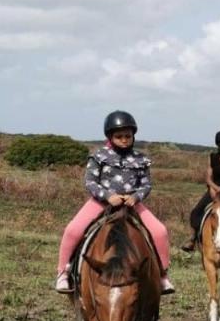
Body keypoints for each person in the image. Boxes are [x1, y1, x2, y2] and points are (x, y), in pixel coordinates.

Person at [55, 110, 173, 294]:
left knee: (160, 232)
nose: (124, 139)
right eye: (119, 136)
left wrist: (136, 197)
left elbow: (146, 184)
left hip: (131, 204)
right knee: (72, 230)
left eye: (128, 136)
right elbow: (90, 182)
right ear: (110, 137)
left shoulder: (141, 159)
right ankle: (62, 272)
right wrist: (108, 196)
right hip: (101, 202)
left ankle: (162, 275)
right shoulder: (99, 156)